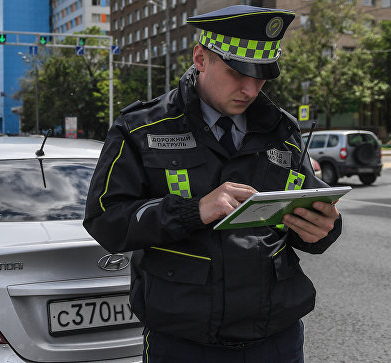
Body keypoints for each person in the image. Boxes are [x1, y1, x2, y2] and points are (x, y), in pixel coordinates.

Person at [83, 5, 342, 362]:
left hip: (277, 338)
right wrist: (194, 210)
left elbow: (308, 209)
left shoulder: (282, 130)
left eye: (263, 76)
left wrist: (324, 229)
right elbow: (105, 220)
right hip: (183, 342)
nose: (251, 89)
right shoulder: (142, 128)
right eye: (238, 72)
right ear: (200, 58)